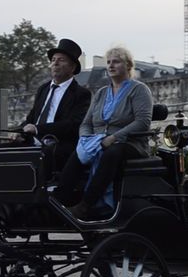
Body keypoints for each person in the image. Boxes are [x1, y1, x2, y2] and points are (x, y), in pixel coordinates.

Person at [58, 45, 153, 220]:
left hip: (130, 143)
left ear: (128, 65)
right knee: (77, 153)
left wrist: (115, 137)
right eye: (108, 62)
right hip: (97, 141)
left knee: (112, 153)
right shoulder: (102, 93)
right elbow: (86, 123)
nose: (110, 65)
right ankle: (59, 200)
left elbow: (142, 122)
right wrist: (85, 138)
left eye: (116, 62)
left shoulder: (138, 89)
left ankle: (86, 205)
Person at [10, 38, 91, 170]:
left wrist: (38, 129)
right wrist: (18, 132)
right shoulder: (43, 89)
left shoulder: (81, 94)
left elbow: (73, 125)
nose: (55, 63)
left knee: (45, 154)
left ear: (73, 67)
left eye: (61, 60)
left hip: (59, 144)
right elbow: (31, 119)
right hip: (34, 142)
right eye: (53, 60)